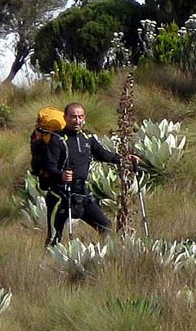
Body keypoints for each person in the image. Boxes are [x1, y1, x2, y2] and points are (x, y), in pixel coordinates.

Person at [35, 102, 131, 246]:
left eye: (80, 117)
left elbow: (103, 154)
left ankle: (102, 259)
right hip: (60, 194)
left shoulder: (88, 137)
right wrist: (61, 175)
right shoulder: (57, 139)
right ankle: (47, 264)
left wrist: (125, 159)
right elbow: (49, 166)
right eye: (73, 117)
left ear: (84, 117)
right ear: (65, 118)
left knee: (105, 227)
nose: (77, 121)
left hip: (81, 193)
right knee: (55, 237)